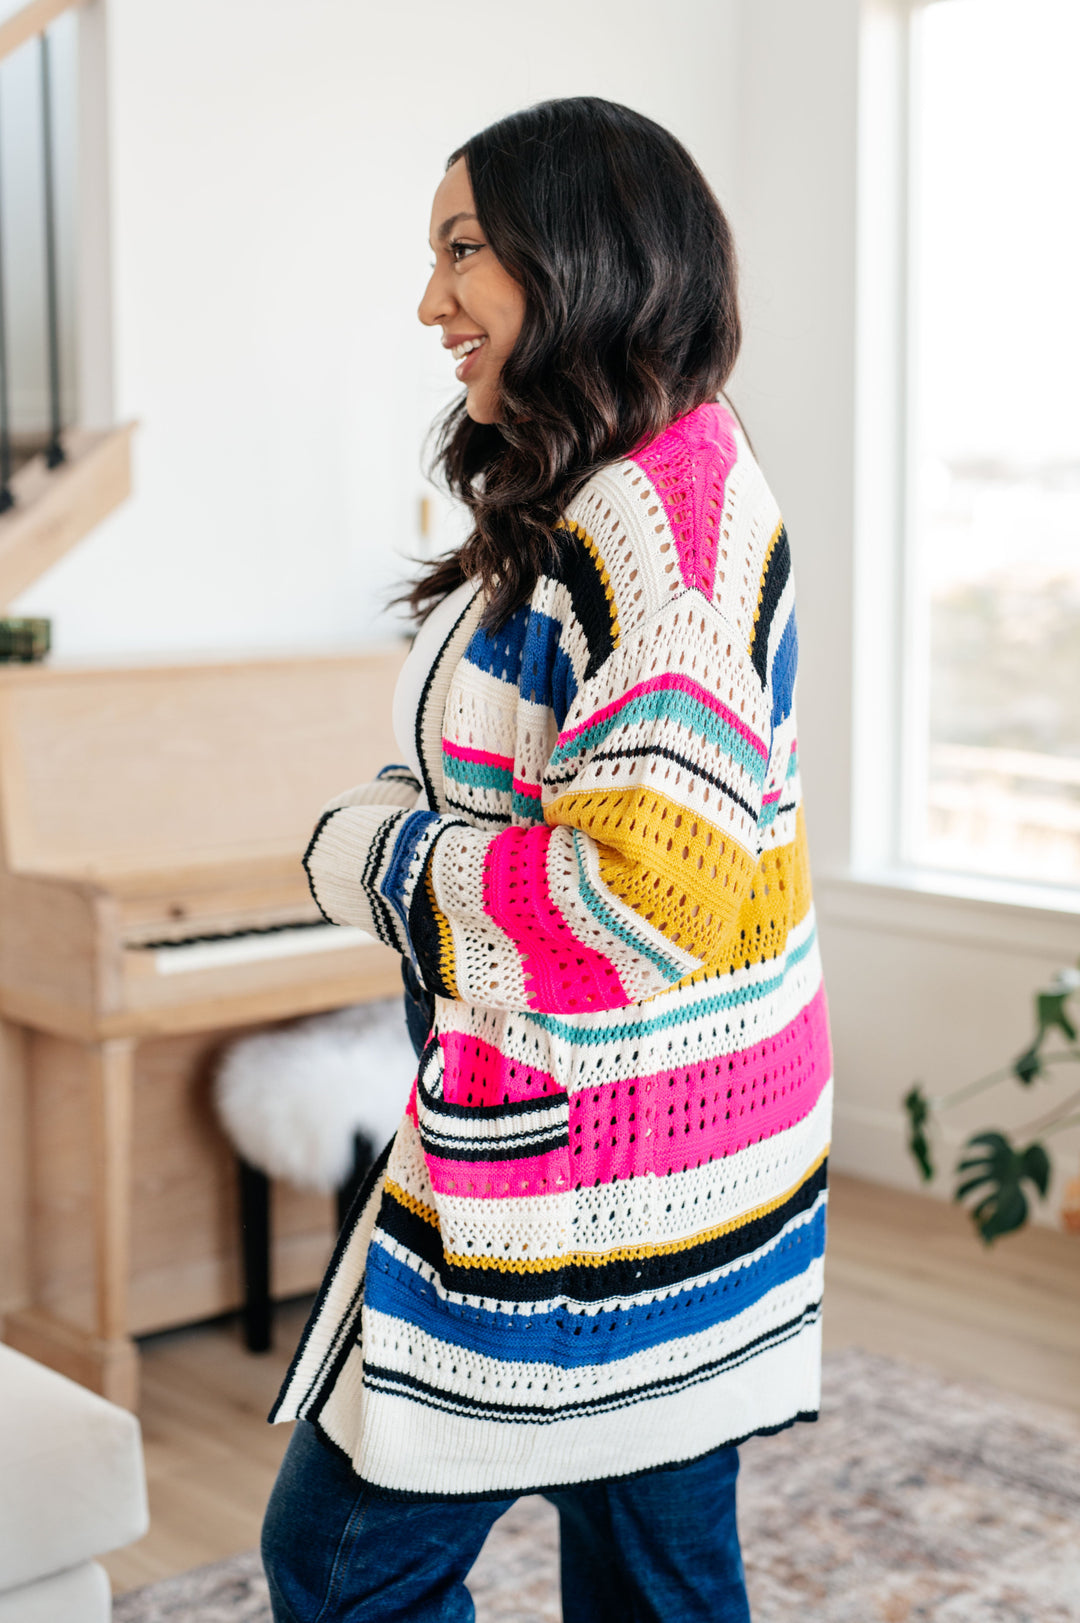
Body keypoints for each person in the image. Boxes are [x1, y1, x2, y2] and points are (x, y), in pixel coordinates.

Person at [262, 95, 832, 1623]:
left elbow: (626, 899)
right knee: (657, 1580)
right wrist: (424, 819)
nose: (430, 302)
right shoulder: (592, 489)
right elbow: (508, 776)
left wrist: (364, 855)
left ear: (579, 252)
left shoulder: (672, 524)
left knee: (340, 1565)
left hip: (610, 1182)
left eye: (464, 250)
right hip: (633, 1159)